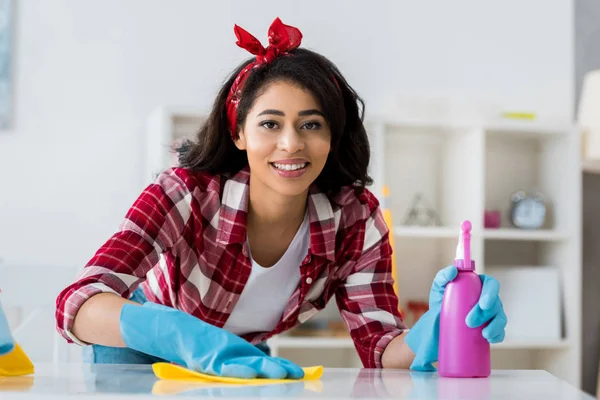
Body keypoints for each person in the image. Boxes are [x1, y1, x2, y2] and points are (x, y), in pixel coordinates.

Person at [55, 17, 507, 379]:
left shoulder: (354, 217)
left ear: (333, 135)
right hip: (137, 361)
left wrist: (438, 327)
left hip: (241, 357)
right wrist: (172, 332)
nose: (291, 144)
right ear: (238, 133)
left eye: (311, 124)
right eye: (270, 124)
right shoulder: (186, 193)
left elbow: (381, 349)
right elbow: (77, 302)